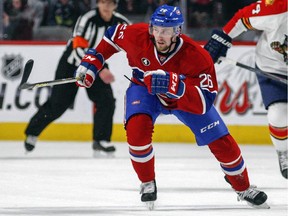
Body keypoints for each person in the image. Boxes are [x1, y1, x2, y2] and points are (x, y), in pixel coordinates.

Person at [74, 4, 270, 209]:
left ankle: (243, 187)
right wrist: (91, 63)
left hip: (183, 98)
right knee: (136, 130)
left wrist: (177, 87)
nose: (159, 35)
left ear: (177, 31)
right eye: (156, 29)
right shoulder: (137, 35)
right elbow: (112, 37)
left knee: (221, 141)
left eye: (166, 31)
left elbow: (206, 102)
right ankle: (147, 182)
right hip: (144, 89)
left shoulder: (197, 56)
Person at [24, 0, 131, 156]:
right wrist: (100, 68)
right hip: (72, 63)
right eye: (103, 2)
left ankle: (100, 140)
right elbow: (78, 47)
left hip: (97, 66)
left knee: (106, 101)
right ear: (98, 4)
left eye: (110, 3)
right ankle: (32, 132)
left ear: (115, 5)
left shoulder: (121, 22)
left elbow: (138, 38)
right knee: (58, 105)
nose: (106, 6)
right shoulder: (87, 18)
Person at [204, 0, 287, 179]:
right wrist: (222, 39)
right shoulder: (276, 8)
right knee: (278, 115)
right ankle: (284, 150)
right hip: (274, 68)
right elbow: (243, 17)